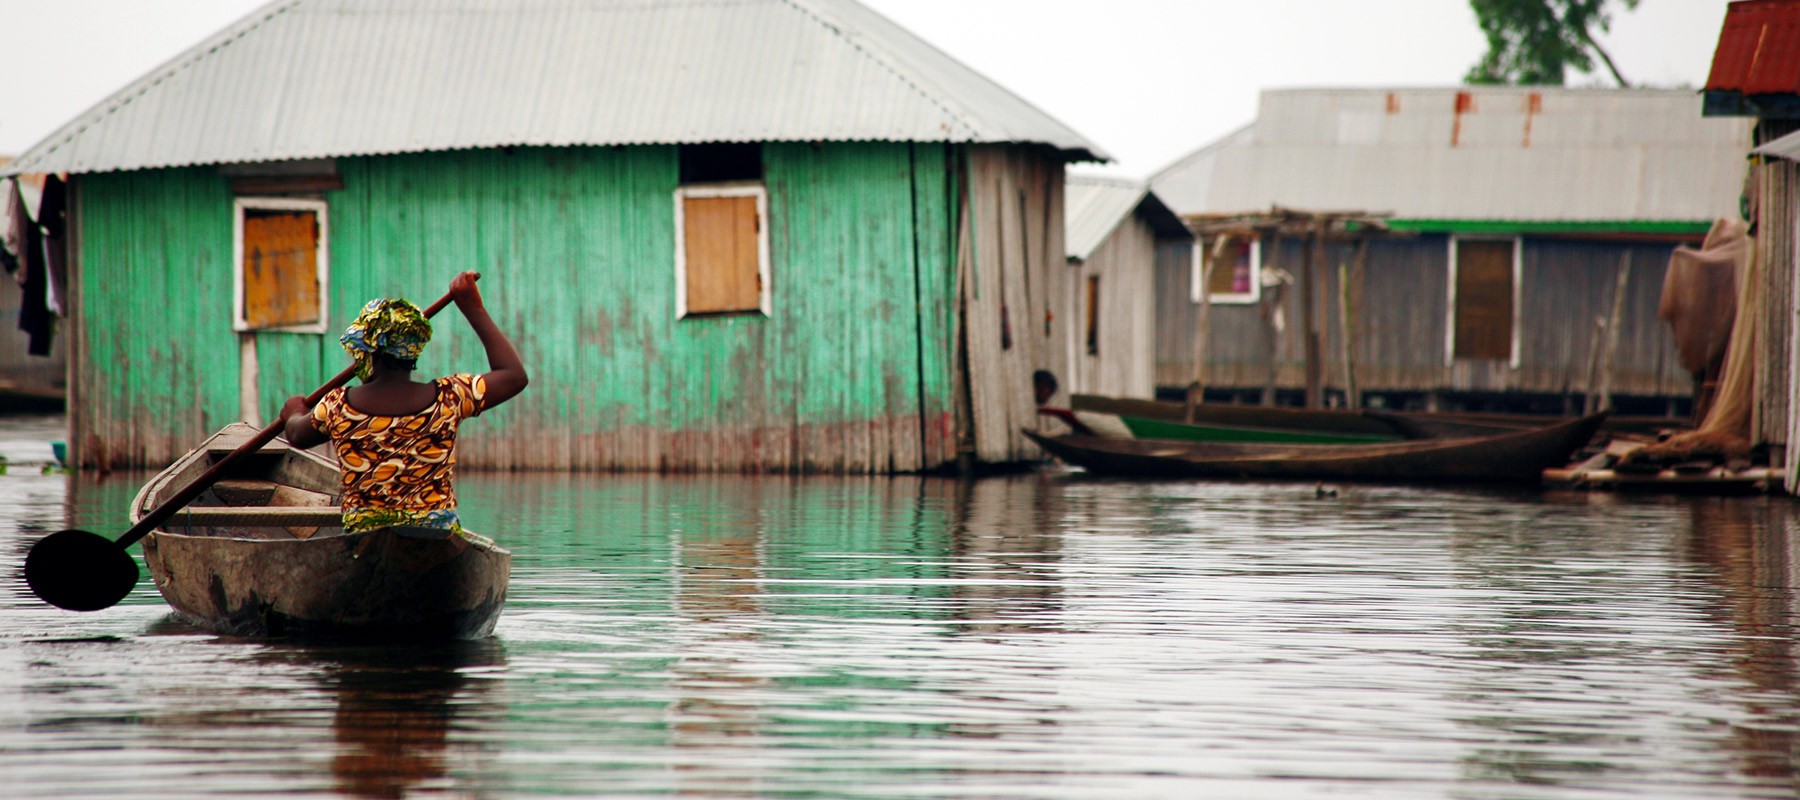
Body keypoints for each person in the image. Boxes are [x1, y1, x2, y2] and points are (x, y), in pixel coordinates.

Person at [282, 271, 527, 540]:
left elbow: (296, 434)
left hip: (363, 536)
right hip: (436, 534)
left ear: (368, 352)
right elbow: (513, 376)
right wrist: (473, 308)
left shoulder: (338, 405)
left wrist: (293, 410)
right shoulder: (450, 397)